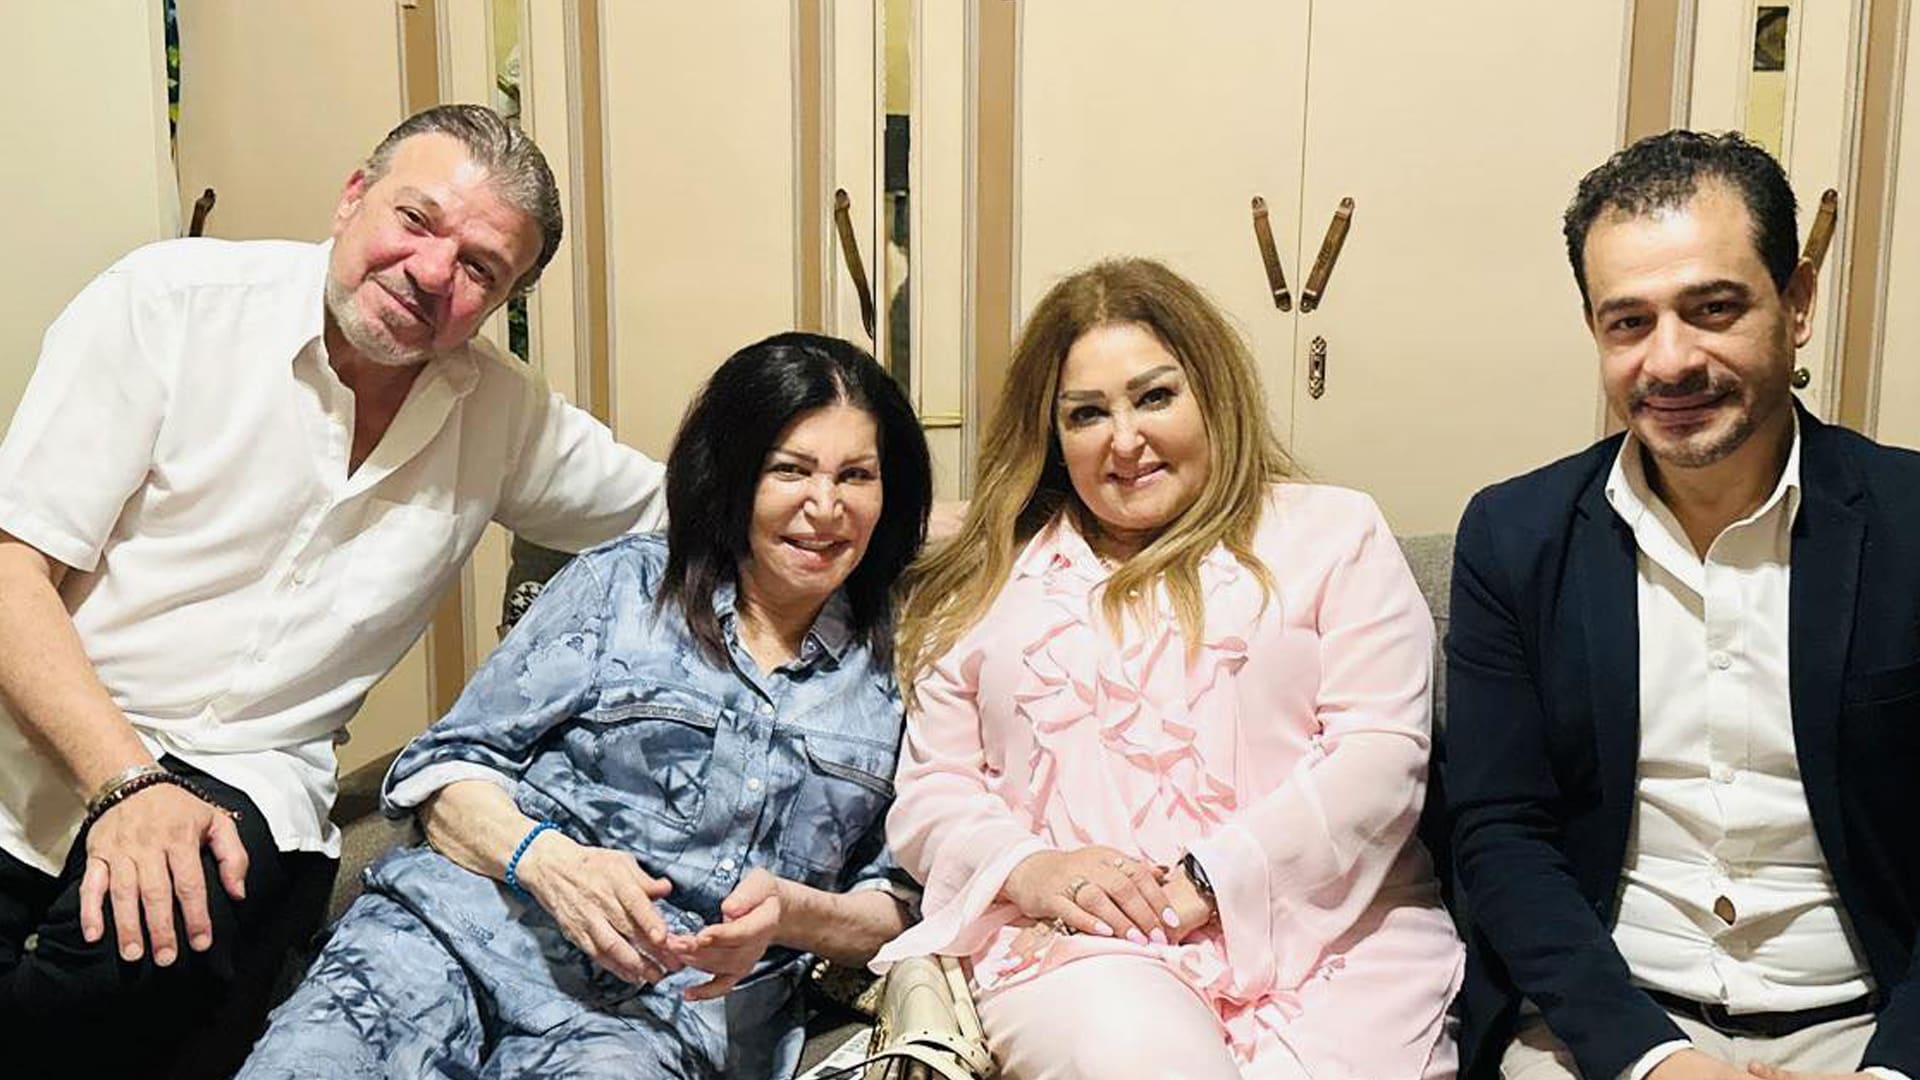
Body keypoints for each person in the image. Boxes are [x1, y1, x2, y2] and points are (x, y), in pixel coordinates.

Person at [0, 104, 666, 1075]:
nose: (432, 272)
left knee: (164, 927)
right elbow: (13, 573)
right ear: (353, 197)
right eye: (416, 220)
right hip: (35, 759)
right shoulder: (170, 305)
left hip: (245, 780)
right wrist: (129, 783)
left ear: (502, 301)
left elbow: (691, 510)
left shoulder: (503, 416)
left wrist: (884, 508)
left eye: (480, 268)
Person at [239, 332, 933, 1079]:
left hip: (660, 1015)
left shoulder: (908, 667)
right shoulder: (623, 588)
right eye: (789, 470)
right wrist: (549, 862)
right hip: (453, 935)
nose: (824, 507)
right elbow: (446, 768)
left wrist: (792, 915)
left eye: (856, 476)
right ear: (734, 474)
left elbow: (901, 902)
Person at [873, 257, 1463, 1079]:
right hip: (1082, 952)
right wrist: (1032, 869)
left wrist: (1216, 876)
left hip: (1332, 940)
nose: (1124, 440)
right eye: (1086, 413)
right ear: (1053, 435)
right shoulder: (987, 578)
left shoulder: (1335, 534)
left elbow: (1382, 754)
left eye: (1154, 397)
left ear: (1212, 393)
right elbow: (933, 790)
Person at [1446, 129, 1920, 1080]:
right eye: (1629, 322)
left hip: (1873, 1022)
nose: (1669, 362)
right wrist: (1653, 1059)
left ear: (1797, 303)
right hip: (1608, 1023)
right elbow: (1501, 832)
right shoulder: (1514, 537)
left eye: (1713, 309)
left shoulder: (1910, 522)